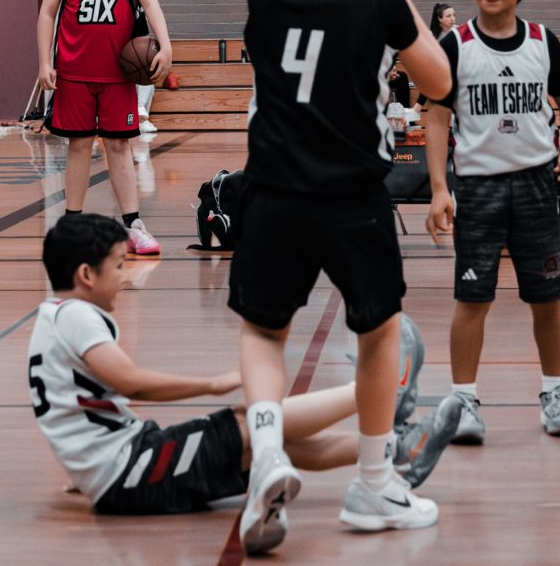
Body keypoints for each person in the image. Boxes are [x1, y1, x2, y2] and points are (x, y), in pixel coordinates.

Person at [232, 0, 453, 548]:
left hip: (273, 189)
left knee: (264, 332)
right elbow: (440, 79)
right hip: (352, 194)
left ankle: (268, 449)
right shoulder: (378, 0)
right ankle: (373, 483)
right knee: (378, 332)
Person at [31, 213, 461, 524]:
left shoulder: (52, 318)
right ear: (86, 274)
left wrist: (84, 469)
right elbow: (132, 384)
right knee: (247, 422)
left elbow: (67, 410)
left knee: (267, 439)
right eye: (118, 266)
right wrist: (211, 384)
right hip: (131, 472)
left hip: (124, 470)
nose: (125, 277)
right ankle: (376, 389)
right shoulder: (76, 316)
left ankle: (399, 450)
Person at [423, 0, 560, 445]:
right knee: (472, 299)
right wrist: (439, 188)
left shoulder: (543, 41)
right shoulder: (455, 45)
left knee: (548, 297)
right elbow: (436, 118)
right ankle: (464, 400)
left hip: (537, 184)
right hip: (478, 188)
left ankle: (556, 392)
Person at [35, 0, 176, 257]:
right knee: (79, 145)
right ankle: (72, 225)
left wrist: (166, 45)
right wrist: (44, 63)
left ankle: (133, 225)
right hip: (74, 72)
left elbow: (150, 2)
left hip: (117, 74)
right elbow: (47, 12)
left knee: (118, 146)